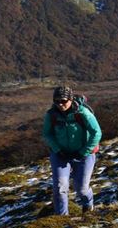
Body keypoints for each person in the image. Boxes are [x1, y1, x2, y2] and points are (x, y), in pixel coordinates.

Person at [42, 86, 102, 215]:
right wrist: (58, 150)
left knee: (81, 189)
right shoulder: (51, 115)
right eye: (57, 101)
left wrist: (83, 152)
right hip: (60, 155)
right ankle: (62, 218)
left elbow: (96, 133)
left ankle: (88, 204)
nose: (60, 104)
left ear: (71, 99)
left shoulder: (83, 113)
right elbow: (47, 134)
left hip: (84, 155)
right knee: (60, 187)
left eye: (63, 101)